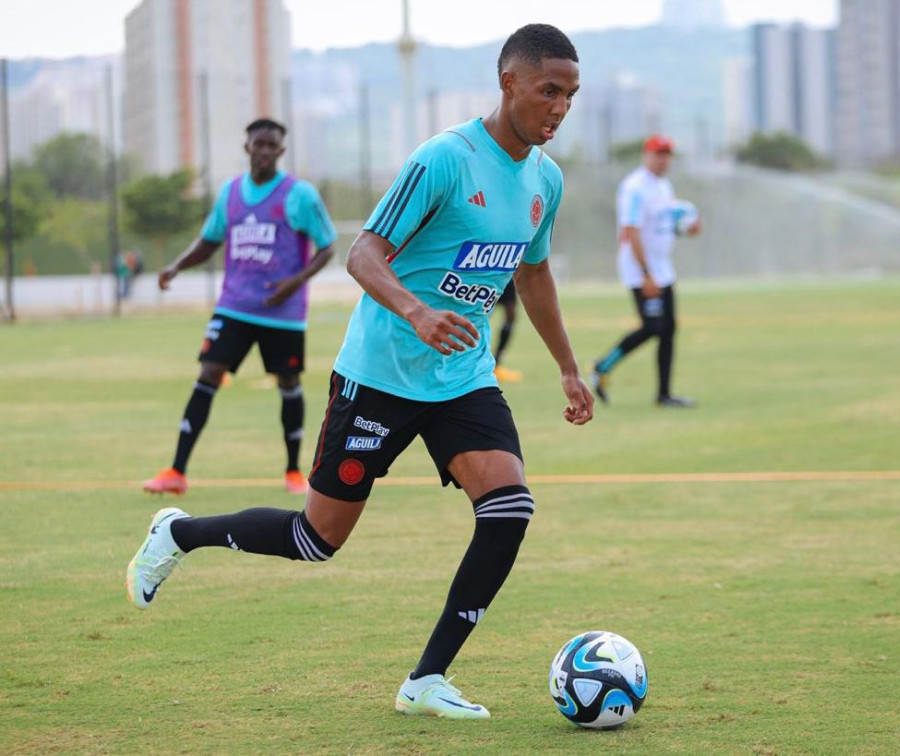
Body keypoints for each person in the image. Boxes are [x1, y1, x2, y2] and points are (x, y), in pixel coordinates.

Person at [127, 24, 591, 719]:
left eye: (571, 95)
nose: (559, 107)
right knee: (315, 540)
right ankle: (178, 533)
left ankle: (425, 680)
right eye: (549, 90)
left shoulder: (544, 181)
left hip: (461, 377)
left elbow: (533, 274)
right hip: (378, 373)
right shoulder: (445, 159)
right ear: (509, 83)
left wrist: (568, 368)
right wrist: (416, 311)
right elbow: (363, 254)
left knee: (508, 507)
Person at [142, 118, 337, 495]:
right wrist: (177, 266)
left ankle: (293, 472)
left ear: (281, 150)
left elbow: (327, 246)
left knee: (289, 383)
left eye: (272, 145)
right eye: (258, 144)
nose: (264, 151)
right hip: (234, 306)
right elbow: (209, 241)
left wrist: (295, 281)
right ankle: (176, 471)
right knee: (208, 373)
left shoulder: (300, 195)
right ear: (247, 147)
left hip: (283, 313)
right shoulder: (230, 193)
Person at [590, 134, 701, 407]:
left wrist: (687, 229)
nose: (663, 160)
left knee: (668, 328)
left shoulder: (664, 186)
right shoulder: (635, 187)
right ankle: (602, 367)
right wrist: (646, 274)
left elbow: (664, 225)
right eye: (658, 154)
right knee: (652, 327)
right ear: (646, 155)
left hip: (663, 268)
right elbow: (631, 231)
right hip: (641, 269)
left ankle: (664, 394)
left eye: (667, 155)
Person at [492, 281, 524, 382]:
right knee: (481, 312)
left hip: (506, 277)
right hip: (488, 277)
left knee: (511, 315)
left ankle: (496, 364)